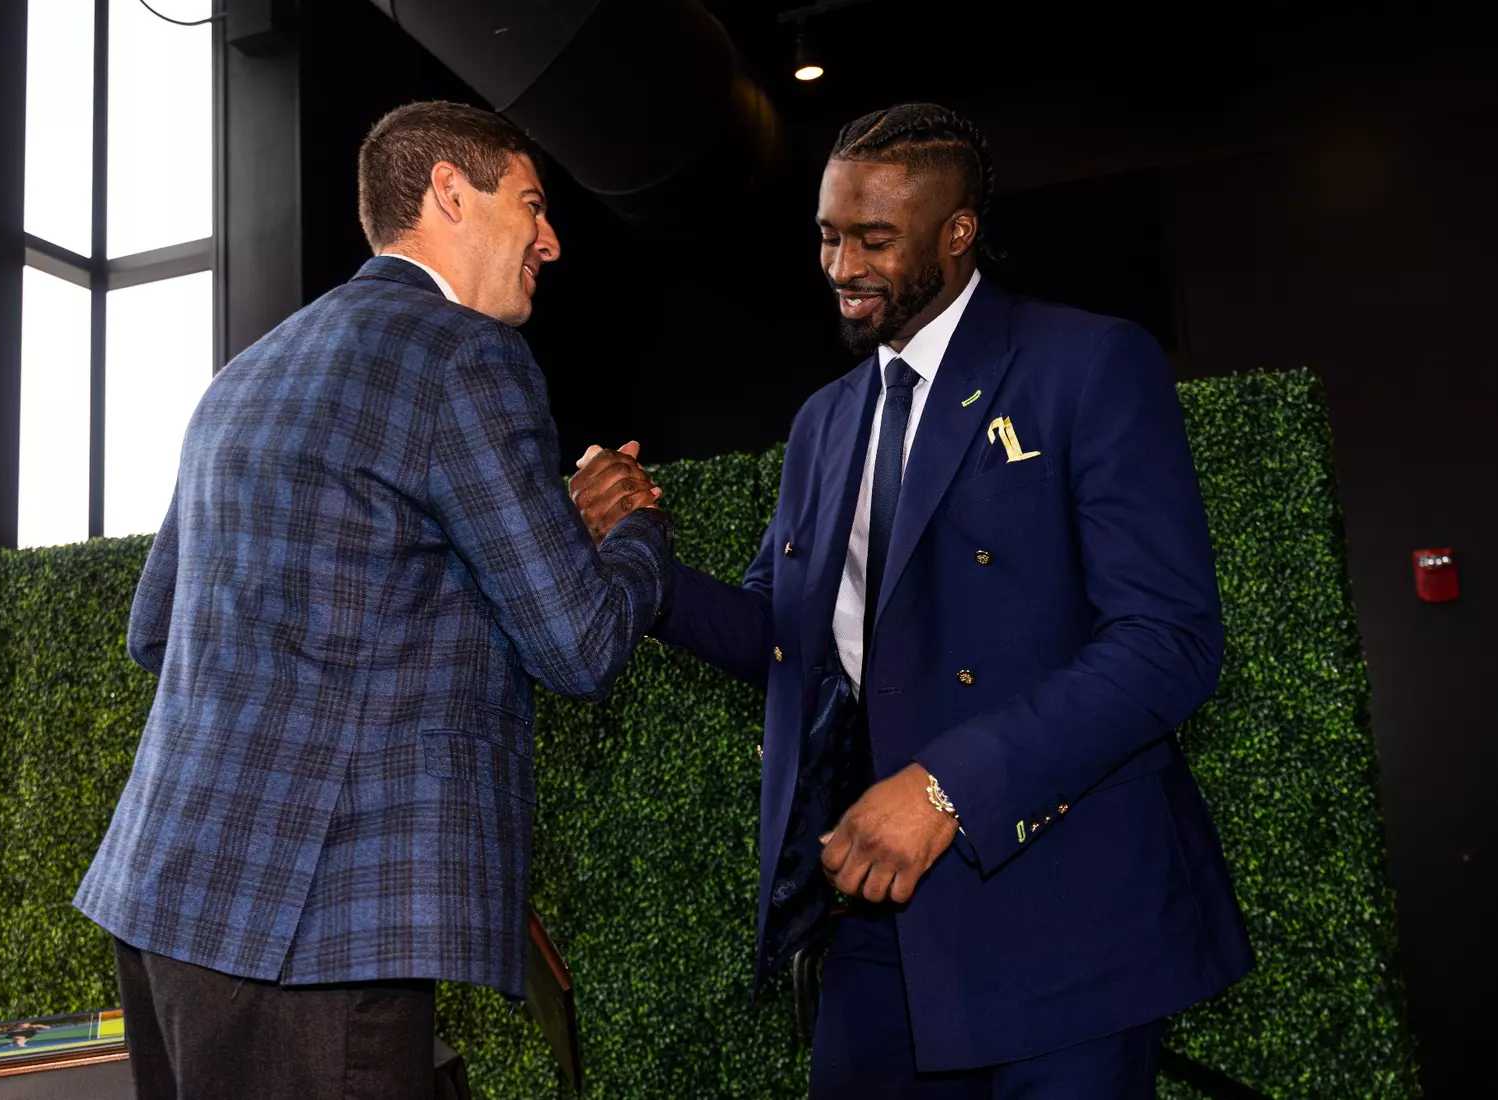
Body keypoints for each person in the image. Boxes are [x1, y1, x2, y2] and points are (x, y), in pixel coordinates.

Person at [575, 103, 1252, 1098]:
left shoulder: (1087, 365)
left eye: (874, 239)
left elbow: (1169, 640)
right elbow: (783, 634)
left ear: (957, 232)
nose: (841, 264)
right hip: (877, 929)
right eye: (827, 234)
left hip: (1063, 916)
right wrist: (637, 556)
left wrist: (946, 787)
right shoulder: (822, 422)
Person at [76, 101, 668, 1100]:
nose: (552, 239)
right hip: (319, 943)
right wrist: (630, 528)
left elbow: (154, 631)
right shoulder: (464, 356)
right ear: (449, 192)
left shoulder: (244, 375)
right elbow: (579, 643)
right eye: (533, 204)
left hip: (164, 910)